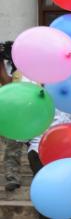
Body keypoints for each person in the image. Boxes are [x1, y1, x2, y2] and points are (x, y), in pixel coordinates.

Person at [0, 45, 25, 192]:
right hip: (13, 113)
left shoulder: (25, 70)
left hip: (30, 111)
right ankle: (12, 178)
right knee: (12, 147)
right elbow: (7, 84)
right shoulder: (8, 67)